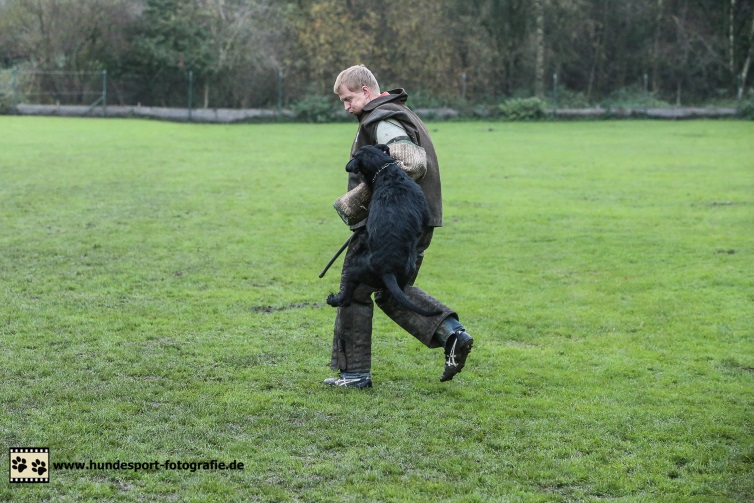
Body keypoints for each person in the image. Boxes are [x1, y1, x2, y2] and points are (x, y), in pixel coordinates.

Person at [324, 64, 473, 388]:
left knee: (356, 288)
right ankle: (452, 335)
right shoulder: (391, 112)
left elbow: (412, 163)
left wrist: (359, 199)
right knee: (391, 289)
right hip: (411, 220)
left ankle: (354, 375)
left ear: (366, 91)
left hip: (393, 222)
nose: (346, 106)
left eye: (348, 99)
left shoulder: (383, 119)